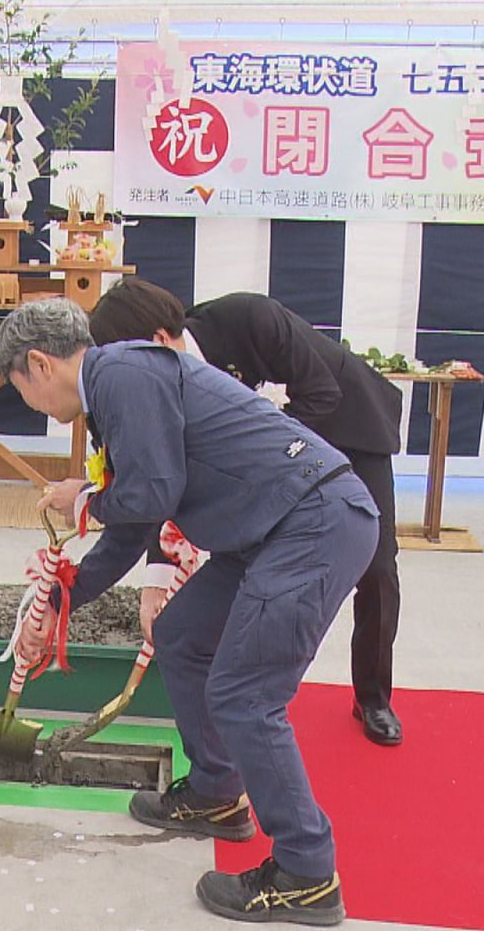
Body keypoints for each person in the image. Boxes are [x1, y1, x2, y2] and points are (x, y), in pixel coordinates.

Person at [0, 299, 378, 926]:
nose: (31, 406)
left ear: (38, 364)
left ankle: (308, 872)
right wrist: (63, 600)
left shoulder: (121, 376)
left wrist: (82, 498)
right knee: (182, 634)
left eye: (21, 391)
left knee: (246, 693)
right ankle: (217, 792)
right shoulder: (113, 396)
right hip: (268, 529)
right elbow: (137, 517)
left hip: (311, 521)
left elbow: (150, 492)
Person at [88, 279, 405, 746]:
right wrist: (157, 575)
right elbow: (162, 478)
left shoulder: (248, 319)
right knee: (249, 557)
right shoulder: (155, 389)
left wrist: (258, 434)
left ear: (157, 341)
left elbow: (321, 394)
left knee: (376, 566)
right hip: (276, 458)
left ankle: (373, 696)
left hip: (347, 426)